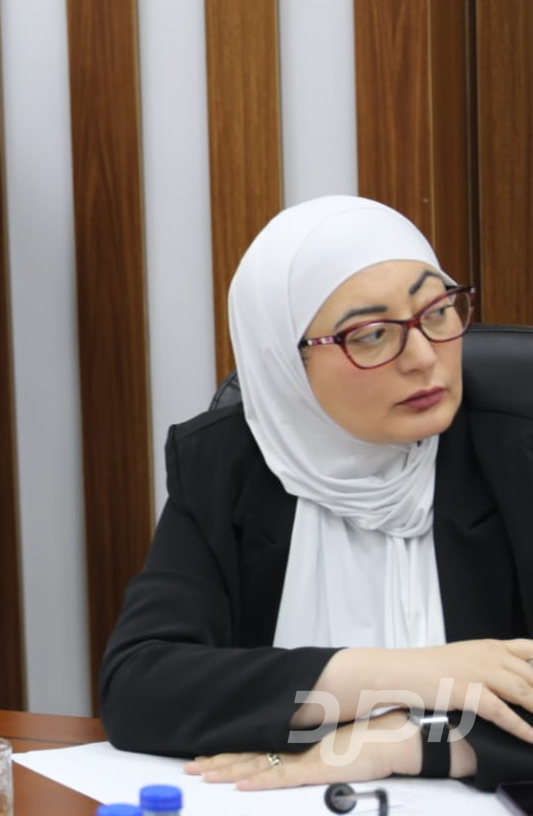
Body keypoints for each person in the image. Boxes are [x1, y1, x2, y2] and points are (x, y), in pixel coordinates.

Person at [100, 195, 533, 792]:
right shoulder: (227, 466)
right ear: (284, 361)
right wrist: (407, 675)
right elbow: (140, 688)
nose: (423, 357)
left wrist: (401, 741)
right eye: (371, 334)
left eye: (437, 311)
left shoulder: (517, 450)